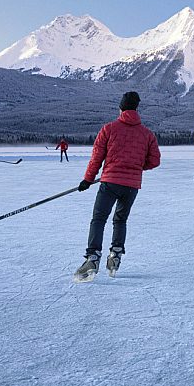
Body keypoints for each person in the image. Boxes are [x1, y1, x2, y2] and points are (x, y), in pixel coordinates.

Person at [74, 91, 161, 281]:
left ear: (121, 108)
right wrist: (136, 167)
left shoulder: (109, 129)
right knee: (120, 220)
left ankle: (92, 258)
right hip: (131, 186)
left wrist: (88, 180)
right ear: (136, 108)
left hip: (110, 182)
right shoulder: (147, 134)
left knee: (98, 219)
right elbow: (154, 160)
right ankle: (115, 256)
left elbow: (96, 158)